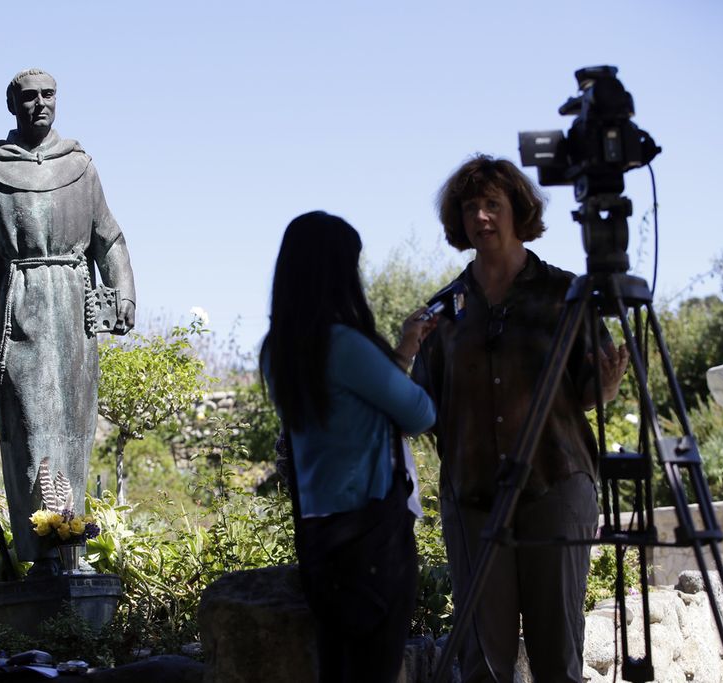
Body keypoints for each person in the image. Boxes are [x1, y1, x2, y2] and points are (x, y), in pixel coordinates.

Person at [412, 155, 629, 683]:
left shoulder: (566, 294)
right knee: (485, 662)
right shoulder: (443, 311)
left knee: (558, 654)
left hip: (555, 488)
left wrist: (605, 386)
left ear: (518, 210)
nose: (481, 216)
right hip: (473, 500)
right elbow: (418, 406)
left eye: (493, 204)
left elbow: (587, 391)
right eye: (470, 207)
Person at [0, 68, 136, 571]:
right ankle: (43, 553)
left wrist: (123, 294)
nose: (40, 103)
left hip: (75, 314)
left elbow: (110, 239)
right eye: (29, 96)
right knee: (31, 430)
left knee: (75, 432)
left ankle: (72, 552)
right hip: (19, 316)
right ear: (12, 105)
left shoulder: (80, 166)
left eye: (48, 94)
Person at [261, 211, 437, 683]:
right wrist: (401, 358)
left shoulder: (278, 351)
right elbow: (420, 413)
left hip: (319, 536)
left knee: (340, 671)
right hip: (374, 536)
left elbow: (353, 411)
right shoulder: (345, 345)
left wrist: (403, 352)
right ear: (338, 272)